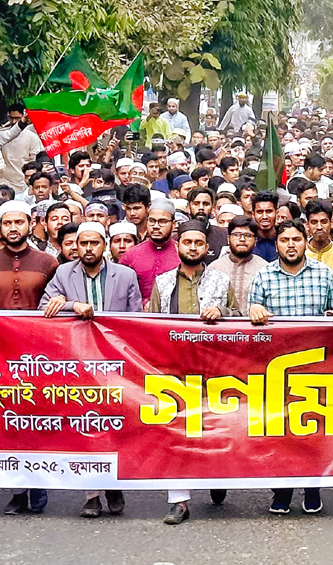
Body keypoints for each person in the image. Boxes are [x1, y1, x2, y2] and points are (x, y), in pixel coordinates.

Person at [248, 220, 333, 516]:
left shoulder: (323, 273)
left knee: (313, 428)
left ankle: (312, 487)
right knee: (280, 430)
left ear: (305, 241)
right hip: (275, 366)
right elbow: (252, 315)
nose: (290, 245)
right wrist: (253, 310)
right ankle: (282, 489)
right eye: (284, 240)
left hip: (316, 366)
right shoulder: (263, 276)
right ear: (275, 244)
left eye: (296, 239)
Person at [0, 200, 59, 515]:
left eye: (19, 222)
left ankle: (40, 484)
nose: (13, 228)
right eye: (7, 223)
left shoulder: (48, 262)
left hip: (39, 356)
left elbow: (57, 299)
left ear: (29, 223)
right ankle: (18, 489)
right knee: (10, 422)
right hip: (0, 353)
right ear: (0, 226)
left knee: (38, 420)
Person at [145, 220, 235, 524]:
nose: (193, 247)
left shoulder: (221, 281)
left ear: (207, 248)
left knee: (214, 429)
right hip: (173, 369)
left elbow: (239, 317)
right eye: (187, 242)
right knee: (175, 433)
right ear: (178, 245)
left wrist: (222, 313)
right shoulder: (163, 282)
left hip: (214, 369)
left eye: (198, 243)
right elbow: (151, 325)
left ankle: (216, 476)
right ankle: (179, 501)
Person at [119, 199, 180, 305]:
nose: (156, 226)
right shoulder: (131, 255)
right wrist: (142, 304)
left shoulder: (181, 253)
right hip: (138, 316)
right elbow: (120, 291)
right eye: (151, 221)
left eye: (162, 221)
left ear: (173, 225)